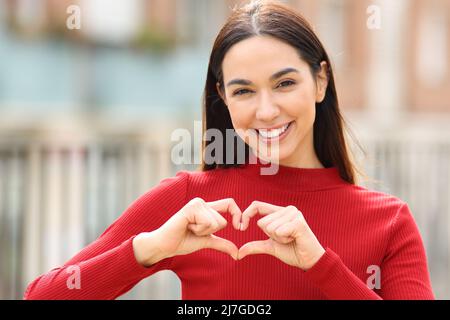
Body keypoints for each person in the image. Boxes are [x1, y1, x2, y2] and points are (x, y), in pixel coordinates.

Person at [24, 0, 434, 300]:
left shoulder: (388, 222)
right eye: (243, 91)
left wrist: (321, 265)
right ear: (223, 98)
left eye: (285, 83)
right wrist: (150, 249)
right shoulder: (191, 203)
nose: (266, 110)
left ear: (321, 81)